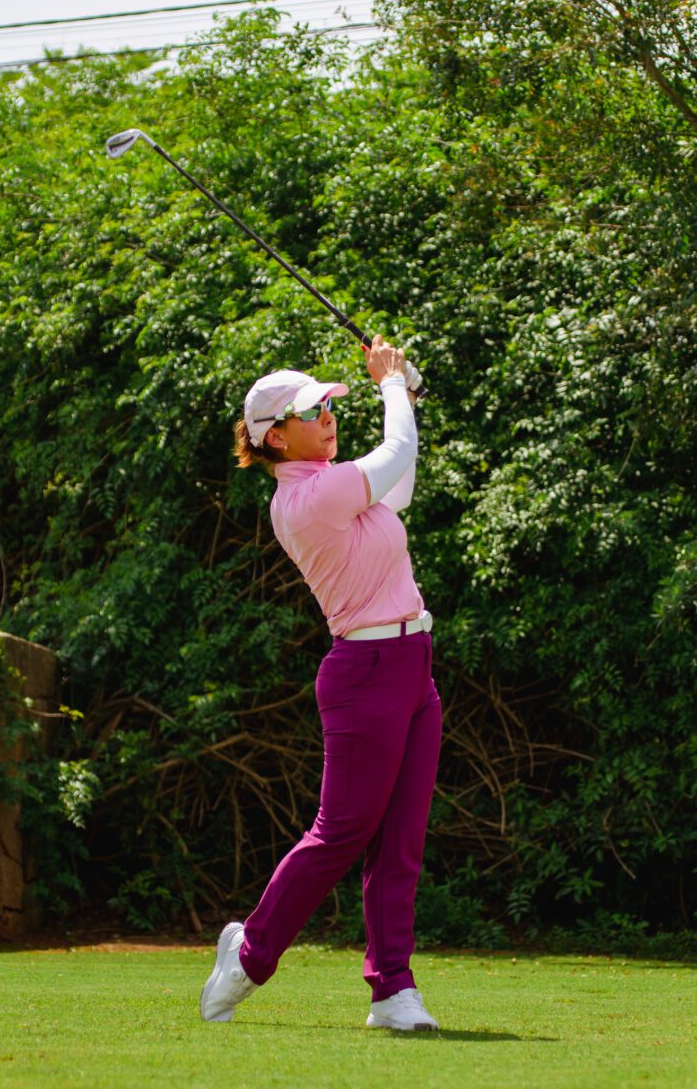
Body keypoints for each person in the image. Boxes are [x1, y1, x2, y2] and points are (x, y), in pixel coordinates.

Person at [200, 335, 443, 1031]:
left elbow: (398, 477)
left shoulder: (338, 485)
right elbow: (394, 451)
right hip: (365, 675)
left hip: (412, 666)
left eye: (328, 406)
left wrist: (403, 395)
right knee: (343, 832)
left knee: (400, 840)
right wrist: (390, 382)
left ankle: (392, 991)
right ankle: (249, 955)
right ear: (274, 437)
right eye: (311, 412)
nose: (328, 417)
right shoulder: (308, 498)